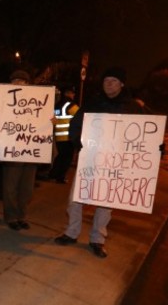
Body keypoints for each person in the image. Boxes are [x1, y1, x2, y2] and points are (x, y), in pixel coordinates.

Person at [54, 67, 144, 258]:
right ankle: (71, 233)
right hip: (90, 159)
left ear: (121, 84)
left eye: (113, 80)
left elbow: (146, 134)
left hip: (114, 162)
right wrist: (79, 142)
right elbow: (75, 125)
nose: (108, 84)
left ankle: (97, 239)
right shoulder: (92, 103)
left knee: (105, 203)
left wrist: (156, 148)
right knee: (75, 199)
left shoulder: (133, 107)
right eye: (106, 80)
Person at [1, 70, 38, 230]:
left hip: (30, 152)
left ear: (28, 84)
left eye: (22, 81)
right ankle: (11, 217)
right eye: (15, 80)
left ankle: (22, 216)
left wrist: (52, 121)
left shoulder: (37, 101)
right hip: (12, 151)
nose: (18, 83)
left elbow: (43, 123)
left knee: (26, 189)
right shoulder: (3, 100)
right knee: (10, 187)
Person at [48, 86, 80, 184]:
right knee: (67, 158)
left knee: (61, 156)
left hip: (59, 136)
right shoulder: (71, 105)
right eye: (72, 93)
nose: (73, 95)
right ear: (68, 93)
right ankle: (60, 177)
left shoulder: (57, 105)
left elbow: (53, 120)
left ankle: (53, 174)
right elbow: (80, 117)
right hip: (68, 137)